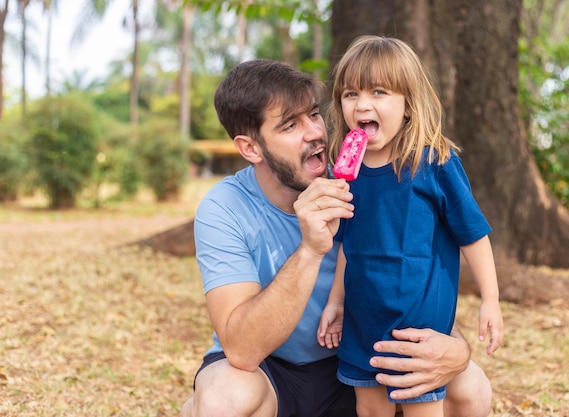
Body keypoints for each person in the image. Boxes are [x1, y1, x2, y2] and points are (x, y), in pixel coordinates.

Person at [180, 58, 493, 417]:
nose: (315, 133)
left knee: (469, 388)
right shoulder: (225, 207)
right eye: (290, 126)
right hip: (270, 370)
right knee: (223, 400)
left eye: (313, 115)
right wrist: (311, 249)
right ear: (251, 148)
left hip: (358, 360)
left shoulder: (365, 178)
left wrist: (458, 348)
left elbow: (415, 282)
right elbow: (242, 350)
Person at [316, 36, 504, 417]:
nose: (362, 104)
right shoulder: (344, 173)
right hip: (361, 320)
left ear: (407, 105)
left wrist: (491, 300)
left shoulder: (435, 162)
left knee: (420, 403)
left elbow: (473, 235)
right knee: (369, 407)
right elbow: (347, 247)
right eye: (350, 94)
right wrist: (336, 302)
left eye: (379, 92)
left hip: (417, 329)